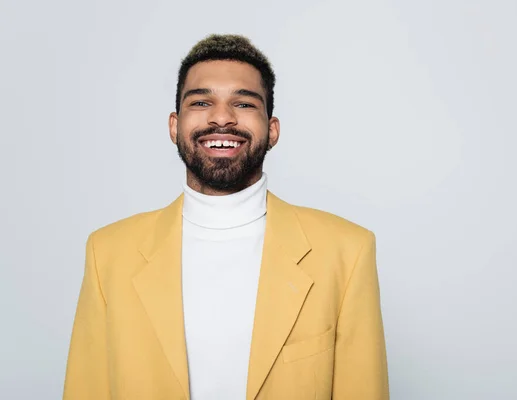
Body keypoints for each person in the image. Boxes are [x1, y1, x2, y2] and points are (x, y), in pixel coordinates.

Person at [63, 33, 389, 400]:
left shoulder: (347, 251)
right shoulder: (107, 253)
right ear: (174, 126)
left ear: (273, 130)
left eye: (245, 104)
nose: (222, 117)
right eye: (201, 101)